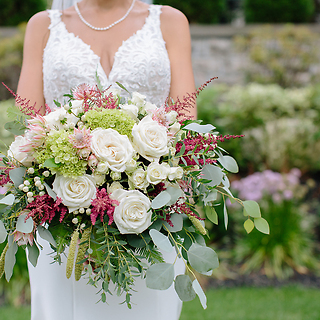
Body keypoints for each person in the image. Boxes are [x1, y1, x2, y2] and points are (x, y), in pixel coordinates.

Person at [16, 0, 196, 319]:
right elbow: (28, 120)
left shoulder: (169, 21)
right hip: (62, 212)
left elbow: (185, 118)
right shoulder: (43, 26)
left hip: (151, 208)